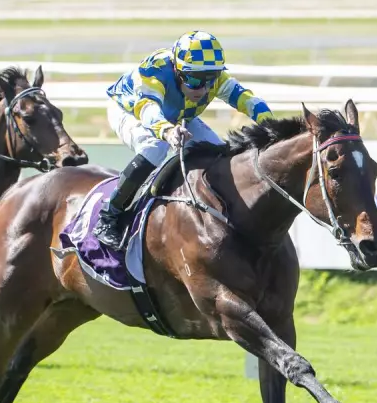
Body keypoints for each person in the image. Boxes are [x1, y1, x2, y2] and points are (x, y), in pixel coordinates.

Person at [93, 30, 274, 249]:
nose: (204, 88)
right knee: (155, 147)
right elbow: (148, 109)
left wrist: (271, 126)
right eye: (195, 80)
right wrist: (167, 131)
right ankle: (109, 215)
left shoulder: (210, 76)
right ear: (178, 70)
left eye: (211, 80)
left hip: (177, 114)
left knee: (217, 152)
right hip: (132, 110)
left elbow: (247, 99)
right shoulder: (156, 70)